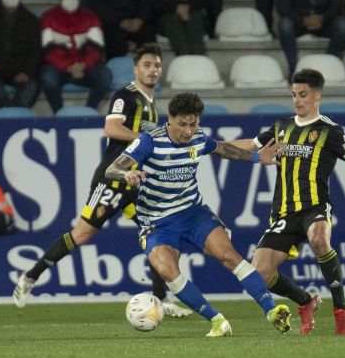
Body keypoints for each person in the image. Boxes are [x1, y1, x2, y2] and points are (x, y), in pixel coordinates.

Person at [15, 44, 192, 317]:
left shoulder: (152, 105)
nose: (153, 70)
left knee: (158, 232)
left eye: (157, 65)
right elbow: (110, 128)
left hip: (137, 181)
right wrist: (149, 139)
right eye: (147, 64)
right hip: (114, 176)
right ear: (136, 69)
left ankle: (160, 299)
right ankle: (30, 277)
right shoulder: (125, 96)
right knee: (83, 234)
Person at [104, 92, 292, 336]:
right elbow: (112, 168)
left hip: (193, 213)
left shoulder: (199, 138)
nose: (188, 131)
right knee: (167, 270)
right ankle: (217, 321)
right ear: (169, 120)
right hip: (158, 223)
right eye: (182, 124)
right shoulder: (150, 141)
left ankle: (271, 309)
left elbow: (224, 150)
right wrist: (126, 174)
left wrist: (258, 157)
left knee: (228, 254)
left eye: (193, 124)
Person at [233, 69, 345, 335]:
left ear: (316, 96)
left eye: (302, 95)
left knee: (320, 240)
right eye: (293, 95)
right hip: (284, 213)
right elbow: (251, 145)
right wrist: (210, 145)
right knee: (259, 275)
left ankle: (341, 310)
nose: (297, 100)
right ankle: (306, 301)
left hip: (315, 208)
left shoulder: (331, 131)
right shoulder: (282, 127)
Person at [39, 0, 113, 111]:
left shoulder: (90, 17)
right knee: (47, 78)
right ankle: (59, 114)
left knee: (105, 77)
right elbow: (47, 51)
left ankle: (89, 111)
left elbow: (97, 48)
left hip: (85, 67)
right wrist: (68, 67)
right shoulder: (48, 17)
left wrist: (83, 65)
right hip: (59, 68)